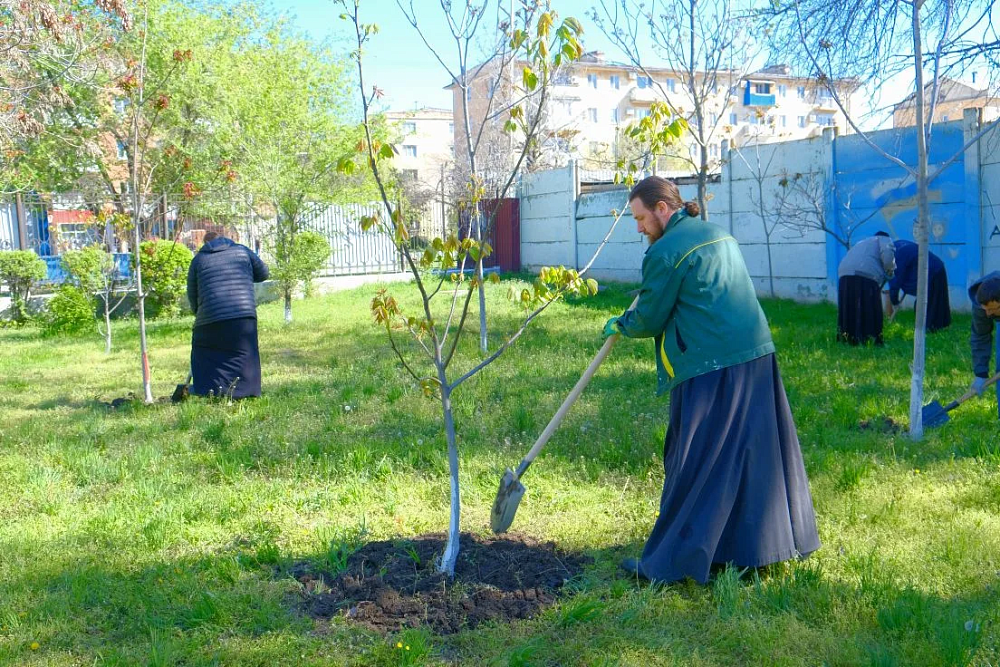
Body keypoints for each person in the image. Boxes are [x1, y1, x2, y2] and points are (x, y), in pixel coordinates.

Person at [603, 176, 820, 584]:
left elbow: (650, 318)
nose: (638, 228)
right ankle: (753, 553)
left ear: (662, 208)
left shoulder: (666, 251)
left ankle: (671, 563)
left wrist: (622, 324)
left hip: (710, 365)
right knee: (753, 455)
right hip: (756, 355)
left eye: (640, 218)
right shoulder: (718, 234)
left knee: (698, 461)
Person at [186, 231, 269, 398]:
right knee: (245, 353)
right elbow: (264, 273)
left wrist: (198, 312)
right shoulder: (242, 251)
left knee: (204, 353)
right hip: (243, 315)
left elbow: (192, 293)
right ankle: (246, 392)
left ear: (205, 243)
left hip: (209, 318)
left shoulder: (198, 260)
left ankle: (210, 391)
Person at [837, 232, 896, 345]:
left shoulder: (863, 242)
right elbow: (888, 258)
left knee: (849, 306)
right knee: (870, 306)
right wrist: (890, 271)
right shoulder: (885, 240)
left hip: (844, 273)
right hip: (866, 274)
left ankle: (848, 338)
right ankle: (870, 338)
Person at [883, 239, 951, 332]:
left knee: (929, 302)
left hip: (932, 271)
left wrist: (894, 301)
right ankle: (934, 326)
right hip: (935, 267)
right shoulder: (897, 245)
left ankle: (929, 328)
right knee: (929, 300)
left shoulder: (895, 258)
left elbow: (895, 280)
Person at [968, 272, 1000, 417]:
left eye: (992, 310)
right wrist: (980, 373)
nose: (988, 314)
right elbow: (980, 336)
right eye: (985, 309)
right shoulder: (981, 304)